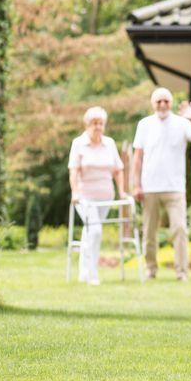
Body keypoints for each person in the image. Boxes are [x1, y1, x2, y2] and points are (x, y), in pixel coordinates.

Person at [131, 87, 191, 281]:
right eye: (159, 101)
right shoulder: (144, 124)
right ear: (153, 104)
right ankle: (151, 270)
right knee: (149, 232)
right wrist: (136, 185)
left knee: (180, 229)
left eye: (166, 101)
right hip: (149, 188)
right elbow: (137, 158)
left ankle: (181, 272)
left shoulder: (183, 123)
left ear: (171, 103)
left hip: (175, 188)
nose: (163, 104)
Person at [68, 106, 126, 286]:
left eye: (101, 123)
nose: (98, 127)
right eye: (94, 123)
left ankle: (83, 272)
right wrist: (75, 192)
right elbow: (73, 170)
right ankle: (92, 274)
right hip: (84, 197)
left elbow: (118, 170)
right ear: (87, 125)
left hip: (105, 196)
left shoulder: (109, 143)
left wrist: (122, 191)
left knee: (90, 232)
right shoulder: (78, 143)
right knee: (95, 230)